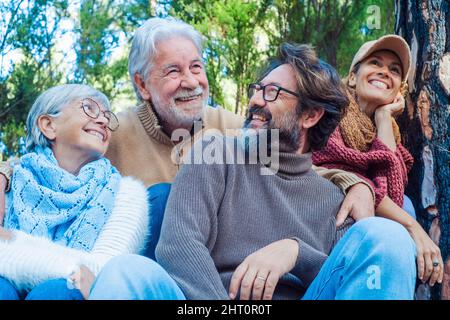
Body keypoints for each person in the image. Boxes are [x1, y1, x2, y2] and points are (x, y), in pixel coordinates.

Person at [0, 17, 377, 261]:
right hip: (147, 272)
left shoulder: (232, 128)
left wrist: (355, 184)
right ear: (142, 85)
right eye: (173, 71)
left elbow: (296, 163)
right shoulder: (112, 133)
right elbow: (44, 160)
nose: (192, 82)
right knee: (160, 197)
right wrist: (4, 175)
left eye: (196, 67)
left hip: (214, 270)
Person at [89, 43, 417, 300]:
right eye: (257, 89)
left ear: (311, 115)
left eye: (272, 93)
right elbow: (179, 245)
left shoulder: (334, 200)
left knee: (387, 236)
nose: (256, 100)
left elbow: (347, 276)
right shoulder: (215, 153)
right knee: (125, 272)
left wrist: (297, 253)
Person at [0, 84, 177, 300]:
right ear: (48, 125)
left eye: (106, 116)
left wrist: (12, 241)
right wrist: (73, 268)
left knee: (58, 291)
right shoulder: (9, 183)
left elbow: (103, 271)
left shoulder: (126, 194)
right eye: (90, 109)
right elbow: (82, 272)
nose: (103, 121)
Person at [312, 35, 443, 286]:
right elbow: (337, 174)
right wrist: (414, 228)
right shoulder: (327, 114)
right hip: (320, 249)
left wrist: (383, 117)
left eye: (394, 70)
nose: (384, 72)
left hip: (367, 249)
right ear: (352, 77)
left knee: (404, 203)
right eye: (375, 63)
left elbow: (391, 192)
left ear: (398, 92)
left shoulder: (389, 133)